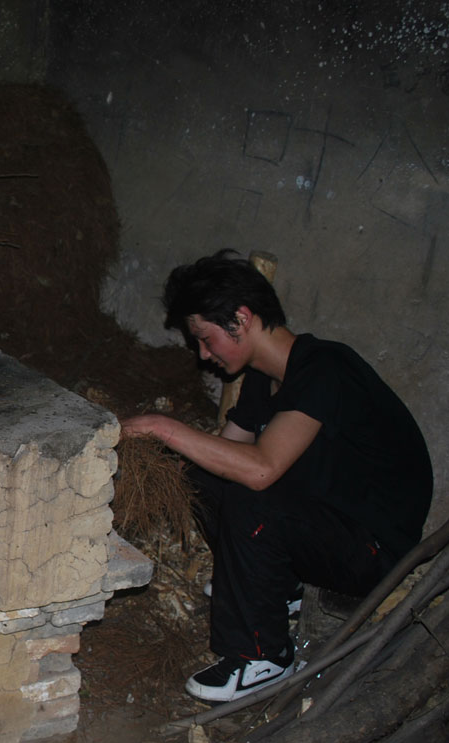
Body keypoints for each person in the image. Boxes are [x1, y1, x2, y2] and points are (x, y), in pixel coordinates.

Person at [121, 249, 433, 702]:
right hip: (325, 523)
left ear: (241, 318)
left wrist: (161, 426)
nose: (204, 355)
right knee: (199, 474)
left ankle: (261, 656)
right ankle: (276, 585)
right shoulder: (260, 381)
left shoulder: (326, 367)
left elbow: (261, 470)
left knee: (252, 492)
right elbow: (224, 455)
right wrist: (163, 449)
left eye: (206, 339)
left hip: (373, 547)